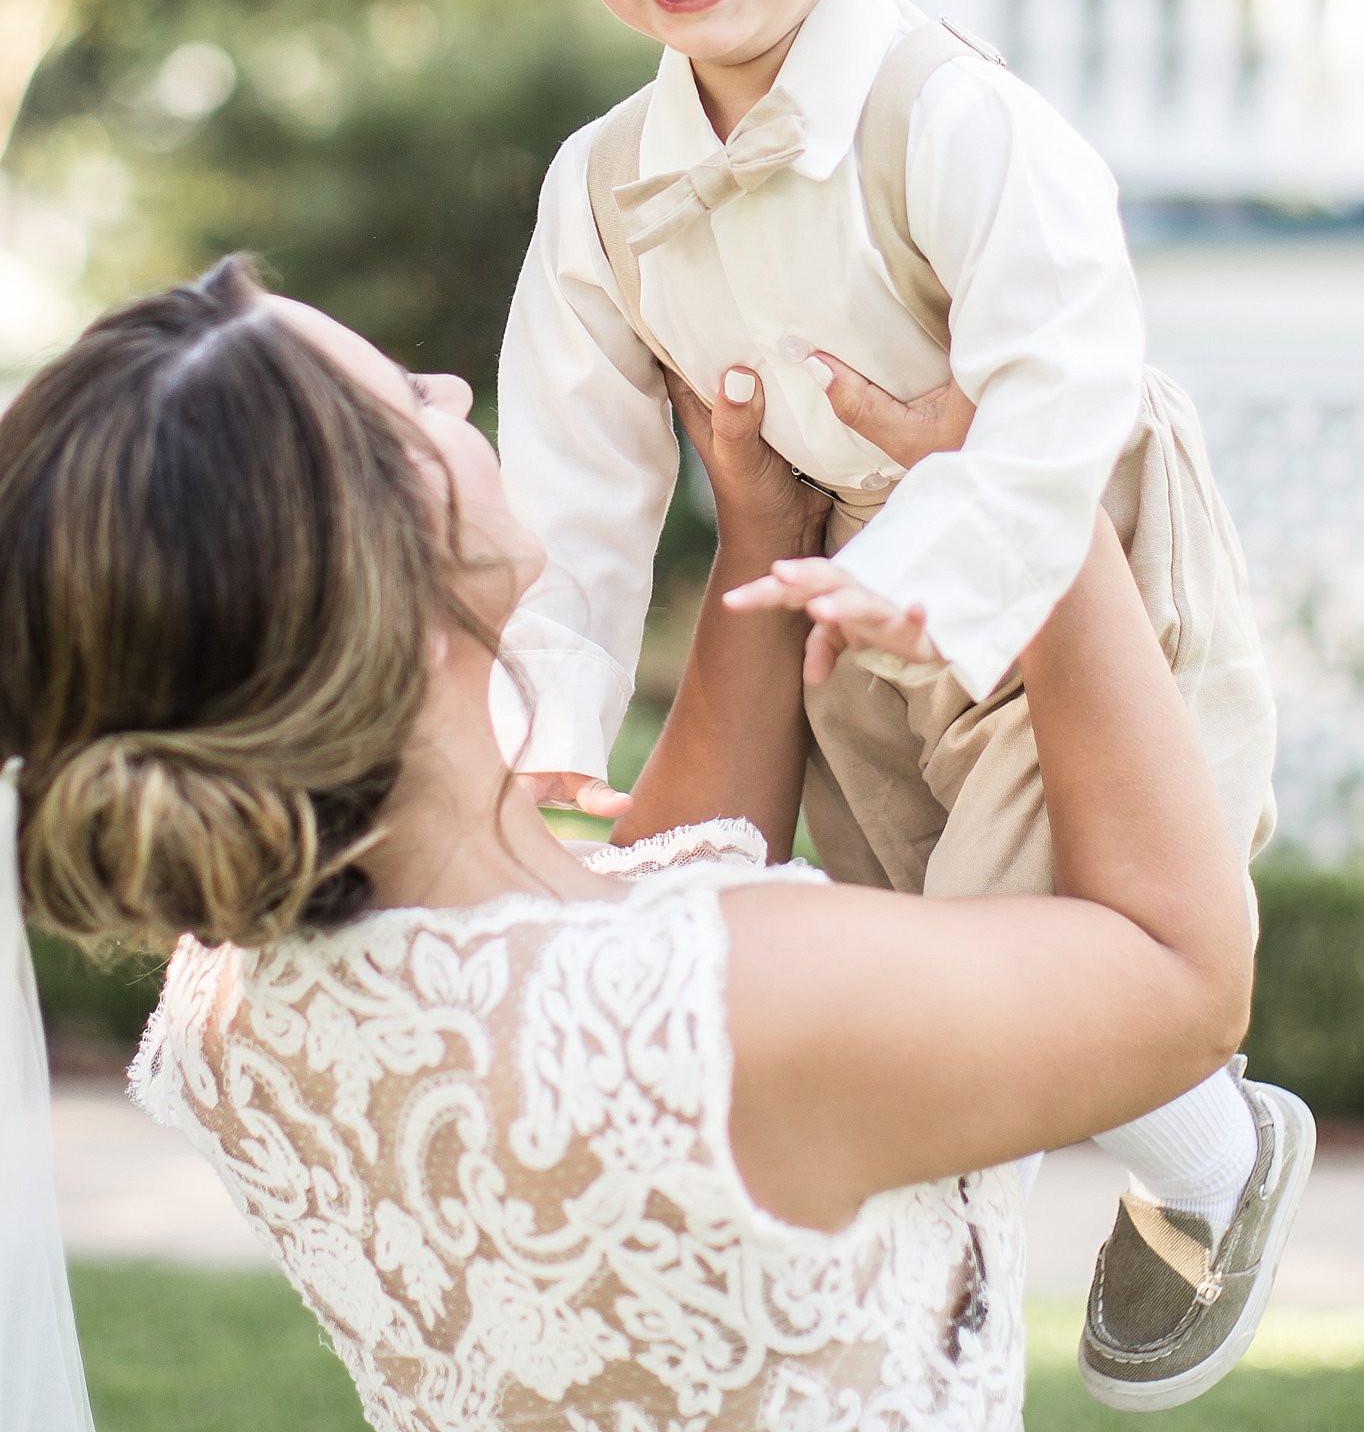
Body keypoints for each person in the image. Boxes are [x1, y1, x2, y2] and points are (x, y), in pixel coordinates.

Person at [0, 260, 1271, 1432]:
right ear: (391, 563)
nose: (449, 387)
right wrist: (1029, 498)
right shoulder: (745, 1007)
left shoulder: (240, 1014)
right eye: (406, 398)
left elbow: (619, 927)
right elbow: (1176, 978)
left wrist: (757, 533)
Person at [497, 0, 1309, 1404]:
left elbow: (1056, 384)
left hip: (1052, 575)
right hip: (842, 620)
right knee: (902, 972)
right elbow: (570, 479)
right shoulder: (601, 187)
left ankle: (1167, 1174)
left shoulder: (950, 119)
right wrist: (540, 701)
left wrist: (943, 563)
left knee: (996, 981)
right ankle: (1144, 1187)